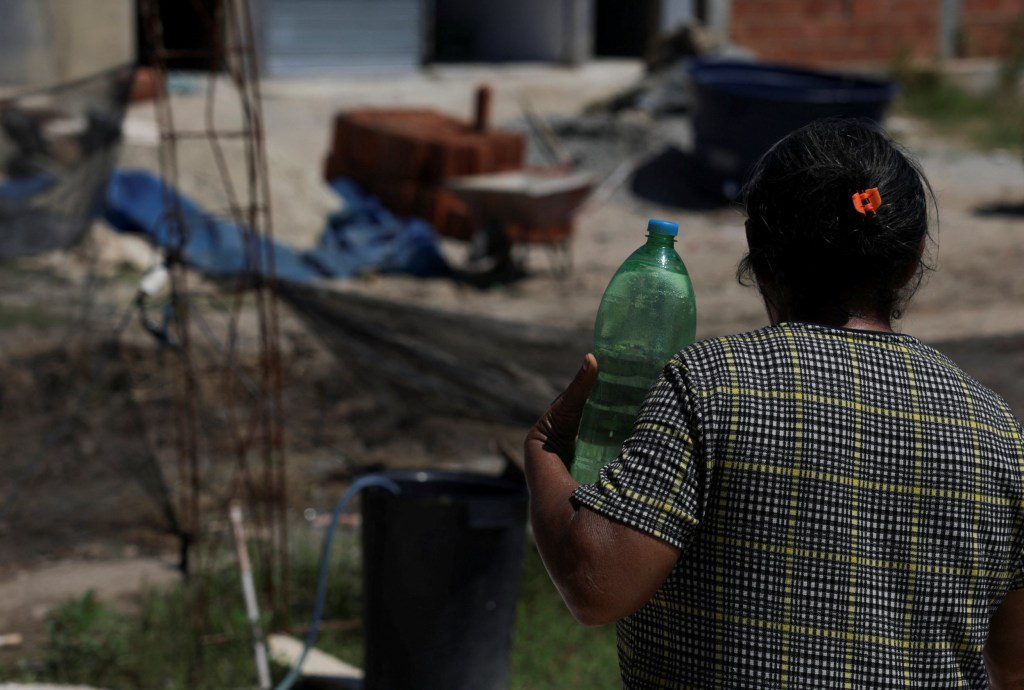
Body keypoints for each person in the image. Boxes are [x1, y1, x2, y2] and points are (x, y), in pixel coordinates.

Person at [524, 119, 1024, 688]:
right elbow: (1014, 664)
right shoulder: (996, 430)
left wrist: (545, 449)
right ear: (909, 266)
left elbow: (596, 582)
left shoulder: (710, 389)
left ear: (760, 261)